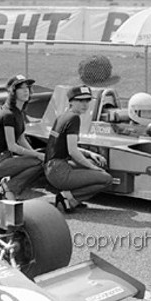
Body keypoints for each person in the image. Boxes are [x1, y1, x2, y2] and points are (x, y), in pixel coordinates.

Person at [44, 85, 112, 213]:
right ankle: (69, 198)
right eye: (80, 101)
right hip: (59, 171)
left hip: (53, 168)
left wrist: (90, 154)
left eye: (87, 100)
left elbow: (68, 146)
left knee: (94, 162)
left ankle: (71, 198)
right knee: (106, 178)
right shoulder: (74, 118)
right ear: (71, 102)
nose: (85, 104)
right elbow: (72, 151)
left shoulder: (63, 116)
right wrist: (93, 168)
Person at [0, 74, 45, 200]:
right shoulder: (8, 114)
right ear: (13, 92)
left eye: (28, 87)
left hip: (7, 158)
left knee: (41, 159)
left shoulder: (19, 111)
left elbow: (21, 139)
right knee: (39, 162)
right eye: (21, 88)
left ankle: (8, 184)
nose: (26, 91)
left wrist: (34, 153)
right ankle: (8, 188)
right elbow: (12, 146)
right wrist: (36, 155)